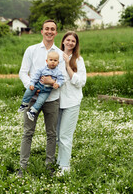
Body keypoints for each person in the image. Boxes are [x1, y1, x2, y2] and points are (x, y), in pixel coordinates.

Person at [17, 20, 66, 177]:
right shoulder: (31, 50)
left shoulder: (60, 54)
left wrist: (51, 83)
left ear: (56, 33)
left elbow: (62, 78)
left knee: (51, 134)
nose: (49, 31)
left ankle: (49, 166)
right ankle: (22, 168)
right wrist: (31, 87)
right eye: (47, 29)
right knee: (28, 132)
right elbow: (23, 72)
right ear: (42, 31)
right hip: (33, 98)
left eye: (53, 29)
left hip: (52, 100)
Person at [57, 31, 86, 175]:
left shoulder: (78, 60)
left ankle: (65, 167)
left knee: (65, 136)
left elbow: (81, 82)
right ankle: (59, 162)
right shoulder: (56, 56)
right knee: (57, 135)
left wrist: (68, 67)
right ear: (63, 41)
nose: (70, 43)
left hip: (72, 102)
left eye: (73, 41)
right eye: (67, 40)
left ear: (76, 44)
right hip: (56, 102)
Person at [18, 51, 64, 121]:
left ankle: (32, 112)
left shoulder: (58, 72)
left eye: (55, 60)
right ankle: (24, 103)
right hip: (38, 85)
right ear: (46, 61)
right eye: (51, 60)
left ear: (58, 62)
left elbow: (61, 80)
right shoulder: (42, 69)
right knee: (29, 91)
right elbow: (35, 77)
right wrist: (32, 84)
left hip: (46, 91)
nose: (53, 62)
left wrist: (58, 84)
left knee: (40, 101)